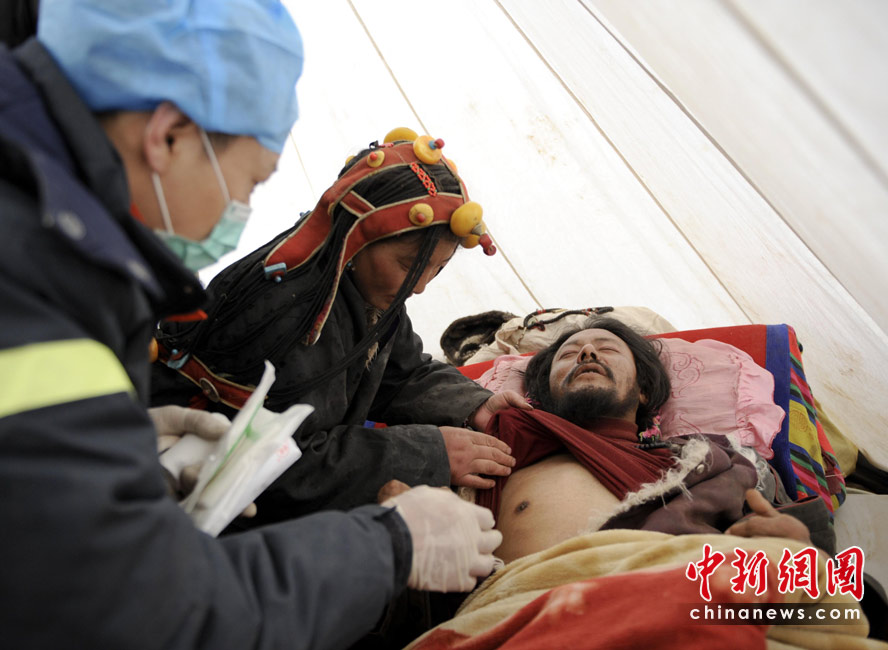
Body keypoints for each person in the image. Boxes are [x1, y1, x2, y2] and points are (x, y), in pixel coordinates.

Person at [0, 2, 502, 648]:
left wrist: (117, 439)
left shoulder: (50, 255)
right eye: (250, 182)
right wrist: (390, 545)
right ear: (169, 134)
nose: (239, 210)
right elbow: (141, 610)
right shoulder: (47, 291)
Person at [151, 129, 527, 524]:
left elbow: (402, 372)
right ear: (357, 236)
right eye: (409, 265)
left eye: (438, 268)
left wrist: (473, 404)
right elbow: (279, 462)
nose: (419, 287)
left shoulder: (366, 288)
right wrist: (430, 453)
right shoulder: (285, 309)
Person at [476, 317, 825, 563]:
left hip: (662, 601)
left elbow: (791, 544)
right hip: (512, 610)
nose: (587, 354)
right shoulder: (498, 447)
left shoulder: (708, 462)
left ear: (643, 390)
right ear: (545, 394)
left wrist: (790, 546)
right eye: (568, 354)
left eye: (607, 349)